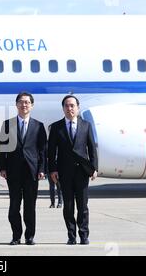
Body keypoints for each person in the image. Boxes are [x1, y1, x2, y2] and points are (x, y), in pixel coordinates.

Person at [48, 95, 98, 245]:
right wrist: (53, 170)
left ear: (78, 107)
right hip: (65, 172)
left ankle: (84, 235)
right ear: (63, 108)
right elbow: (51, 151)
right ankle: (71, 236)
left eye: (72, 106)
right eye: (67, 106)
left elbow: (91, 148)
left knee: (83, 206)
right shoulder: (56, 127)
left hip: (82, 172)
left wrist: (94, 167)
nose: (70, 108)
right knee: (68, 207)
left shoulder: (86, 125)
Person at [0, 92, 47, 245]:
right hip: (13, 172)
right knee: (14, 206)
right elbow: (3, 149)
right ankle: (16, 235)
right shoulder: (7, 125)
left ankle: (30, 236)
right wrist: (2, 168)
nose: (24, 105)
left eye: (27, 102)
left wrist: (42, 169)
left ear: (31, 106)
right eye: (21, 102)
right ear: (16, 105)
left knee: (29, 207)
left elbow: (42, 151)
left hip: (31, 172)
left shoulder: (38, 126)